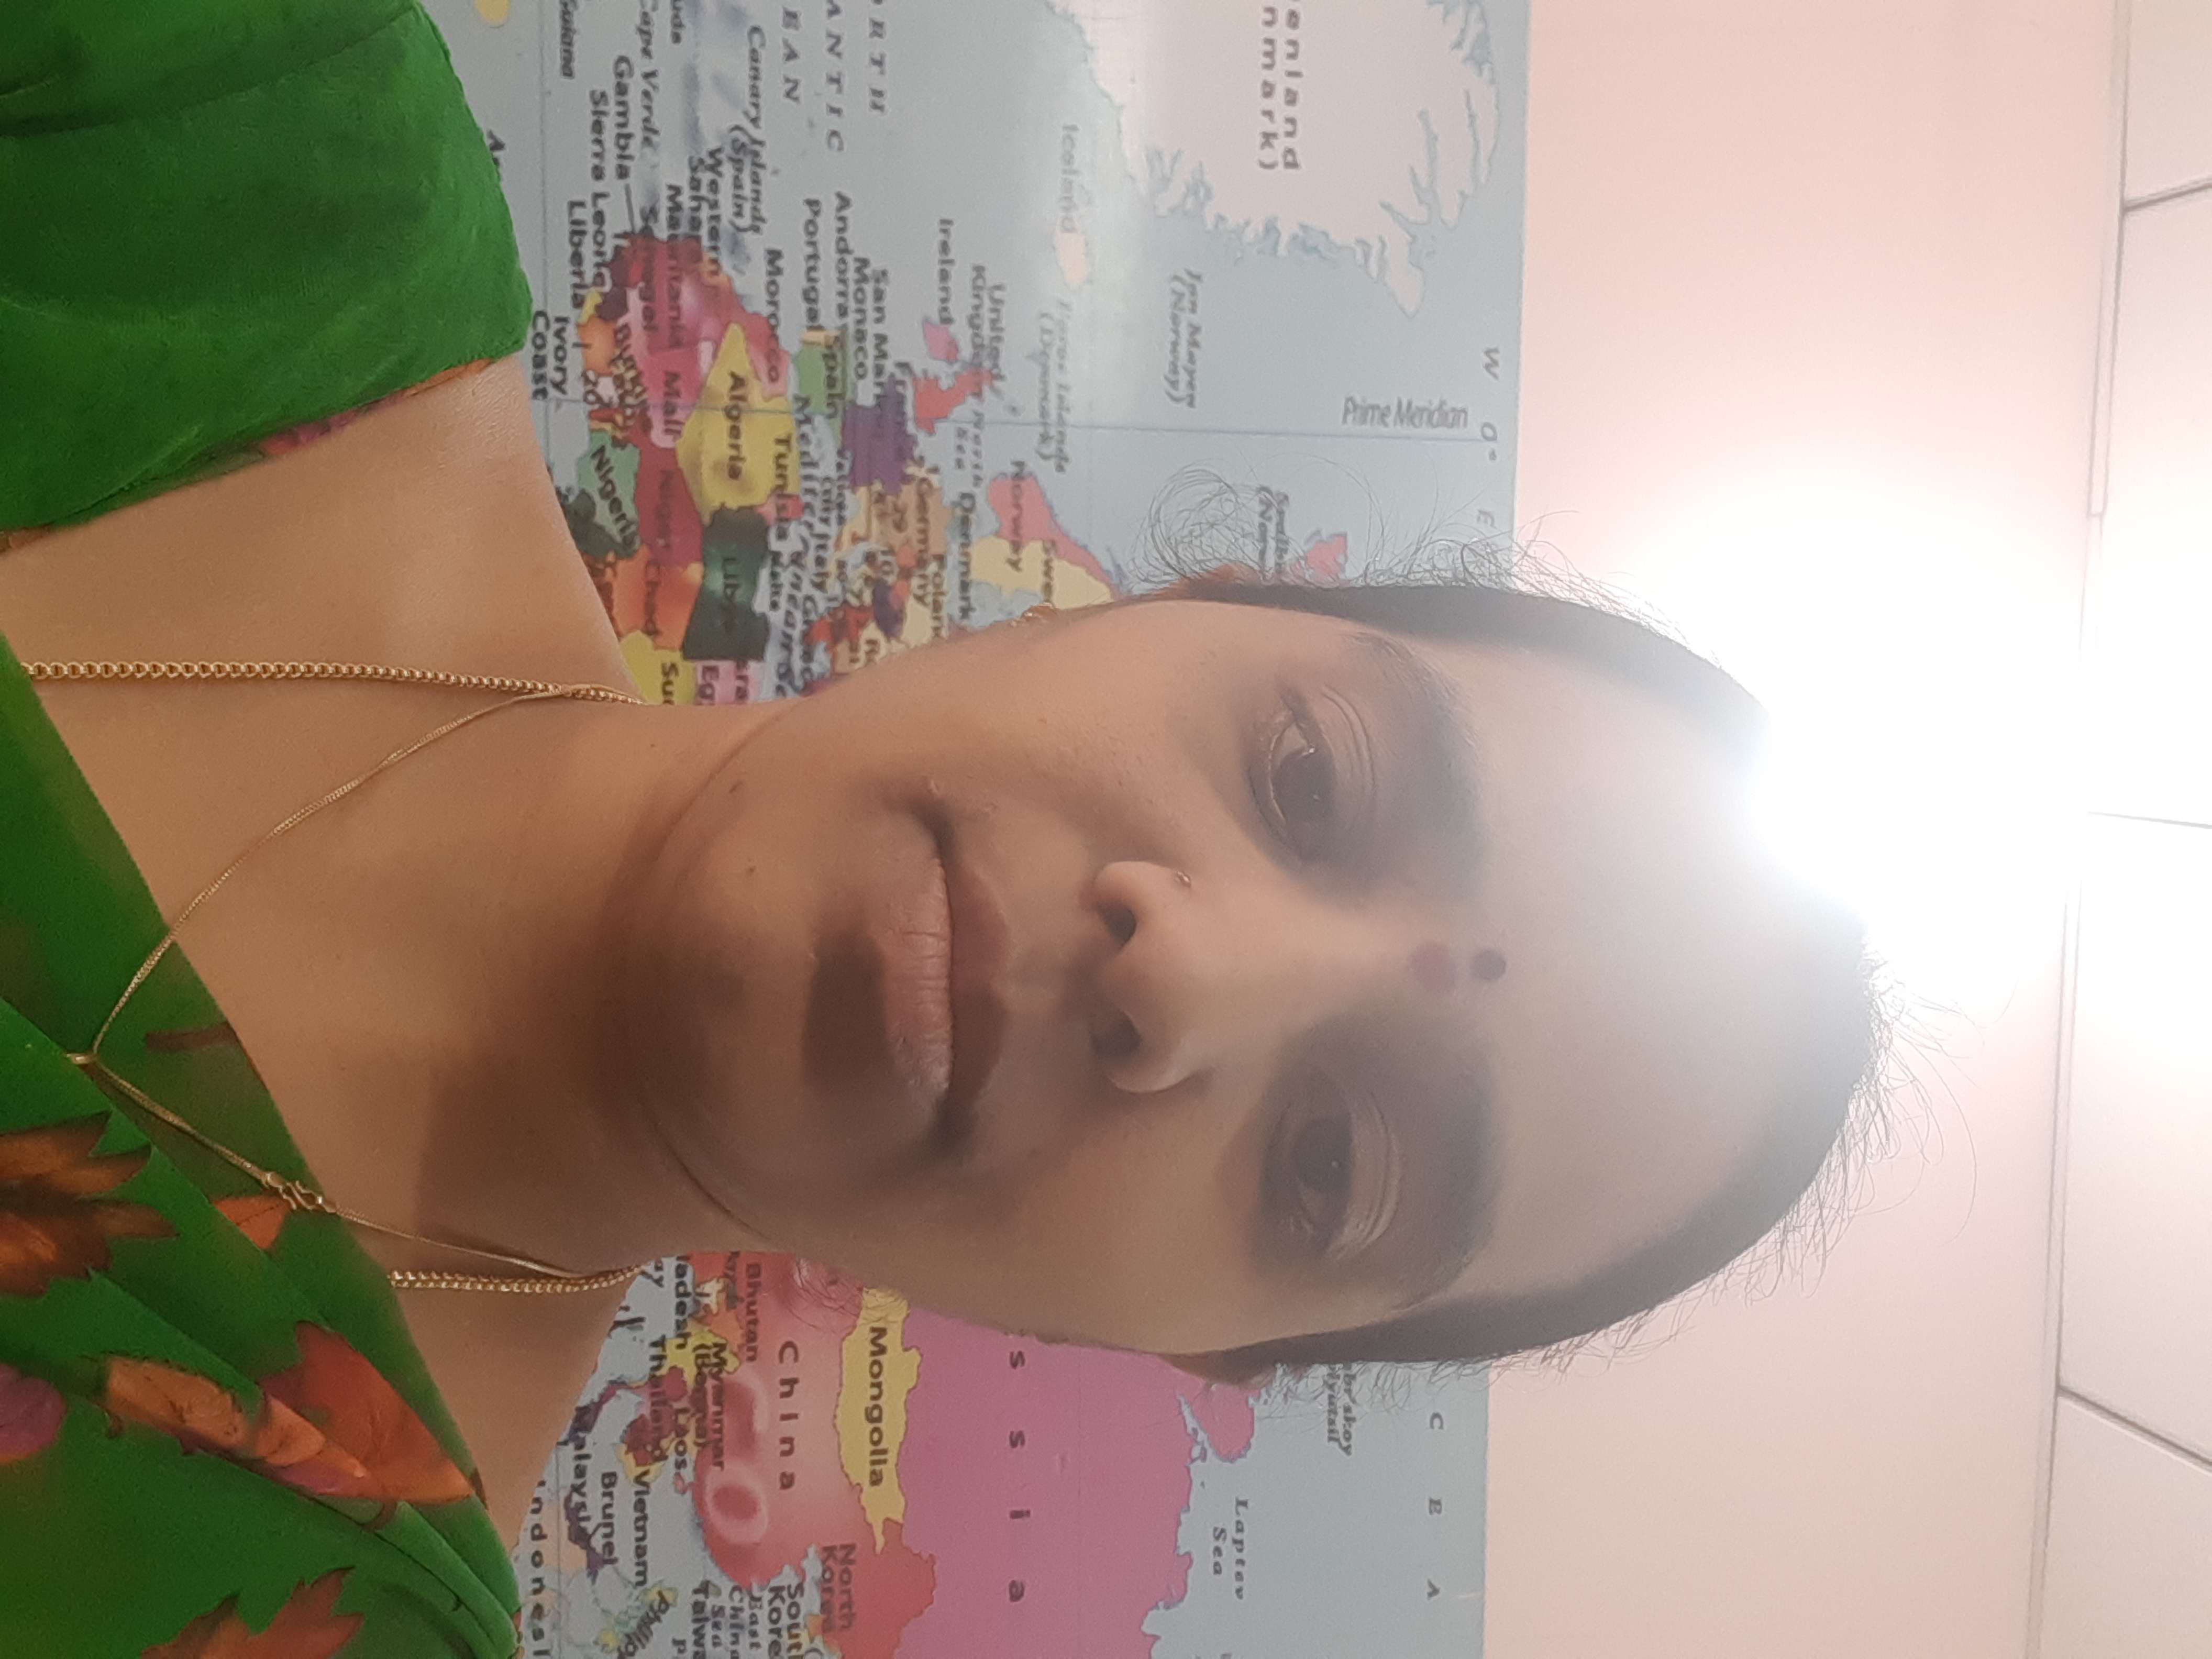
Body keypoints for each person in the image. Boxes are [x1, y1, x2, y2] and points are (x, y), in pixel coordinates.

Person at [0, 1, 1885, 1653]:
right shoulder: (251, 137)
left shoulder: (291, 1602)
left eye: (1328, 1166)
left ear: (1196, 1344)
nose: (1189, 973)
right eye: (1310, 777)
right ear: (1180, 606)